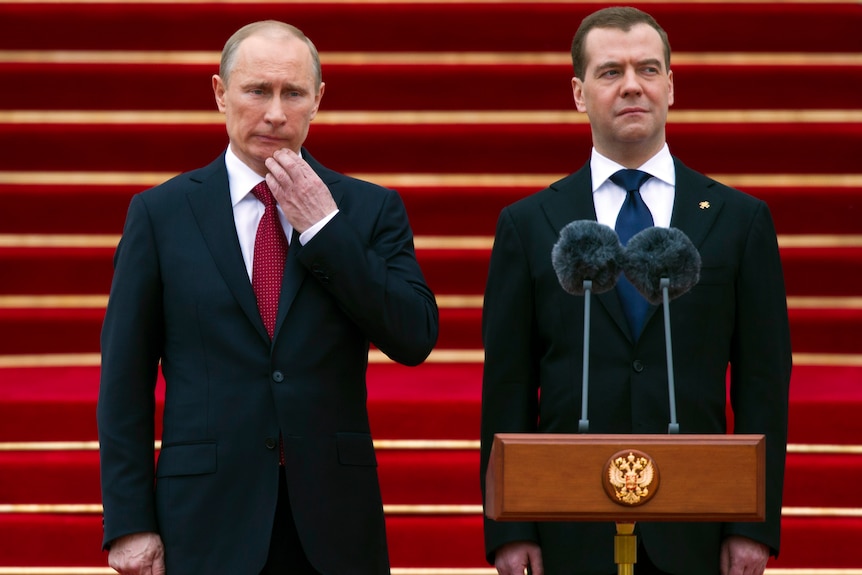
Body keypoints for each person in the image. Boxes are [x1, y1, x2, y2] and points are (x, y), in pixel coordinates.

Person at [97, 20, 438, 575]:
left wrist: (324, 228)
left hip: (333, 520)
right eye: (257, 90)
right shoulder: (159, 215)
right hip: (204, 518)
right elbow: (124, 383)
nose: (275, 113)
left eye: (293, 93)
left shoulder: (368, 210)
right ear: (219, 93)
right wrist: (130, 522)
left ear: (318, 100)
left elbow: (414, 336)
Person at [480, 7, 791, 575]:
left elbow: (762, 381)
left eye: (648, 69)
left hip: (696, 524)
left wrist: (752, 523)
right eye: (609, 72)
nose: (631, 86)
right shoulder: (528, 224)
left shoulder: (738, 219)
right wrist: (509, 525)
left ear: (671, 86)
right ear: (578, 93)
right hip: (568, 525)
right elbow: (508, 382)